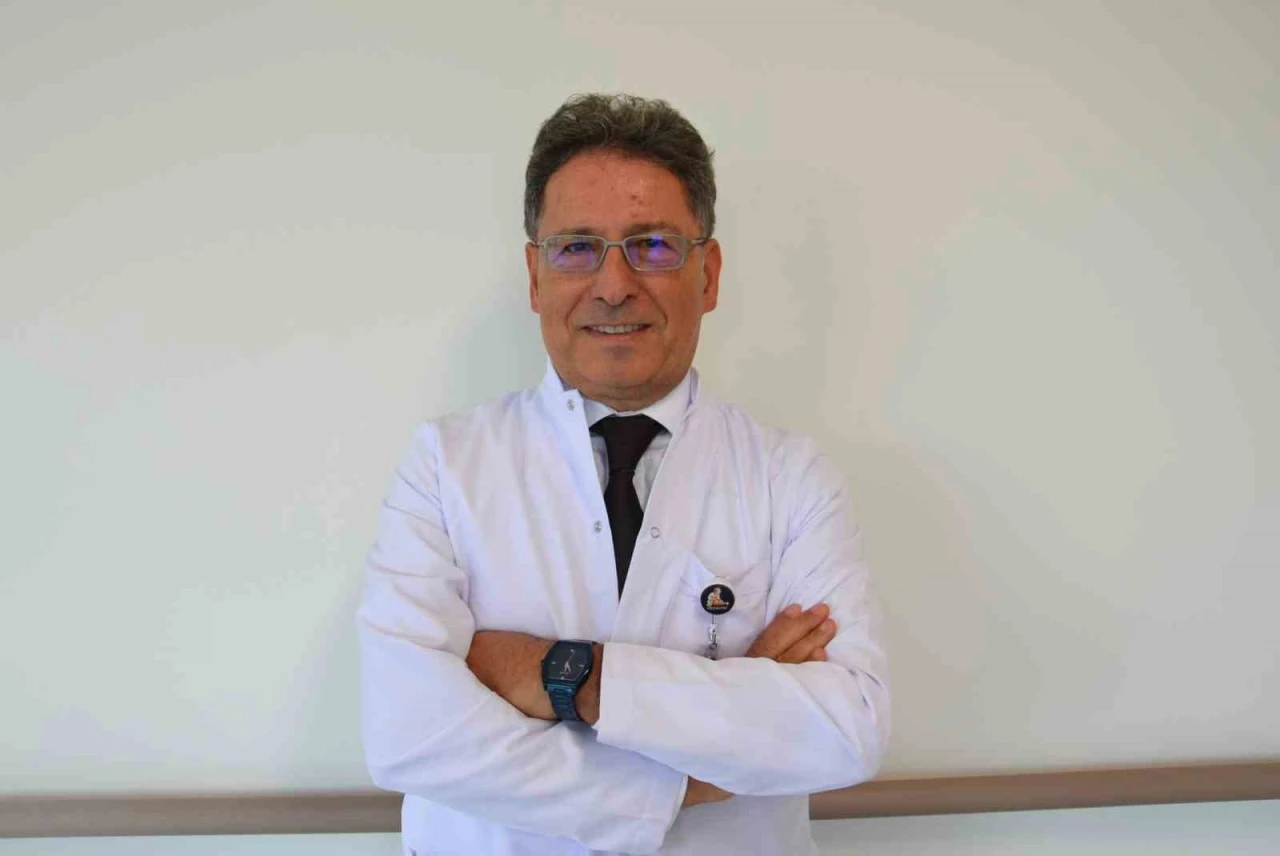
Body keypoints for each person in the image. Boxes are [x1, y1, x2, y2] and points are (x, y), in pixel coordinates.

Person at [357, 93, 890, 855]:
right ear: (535, 277)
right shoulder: (444, 464)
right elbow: (408, 734)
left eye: (653, 246)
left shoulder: (791, 477)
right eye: (577, 247)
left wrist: (561, 676)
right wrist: (711, 756)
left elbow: (847, 728)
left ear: (708, 274)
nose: (613, 284)